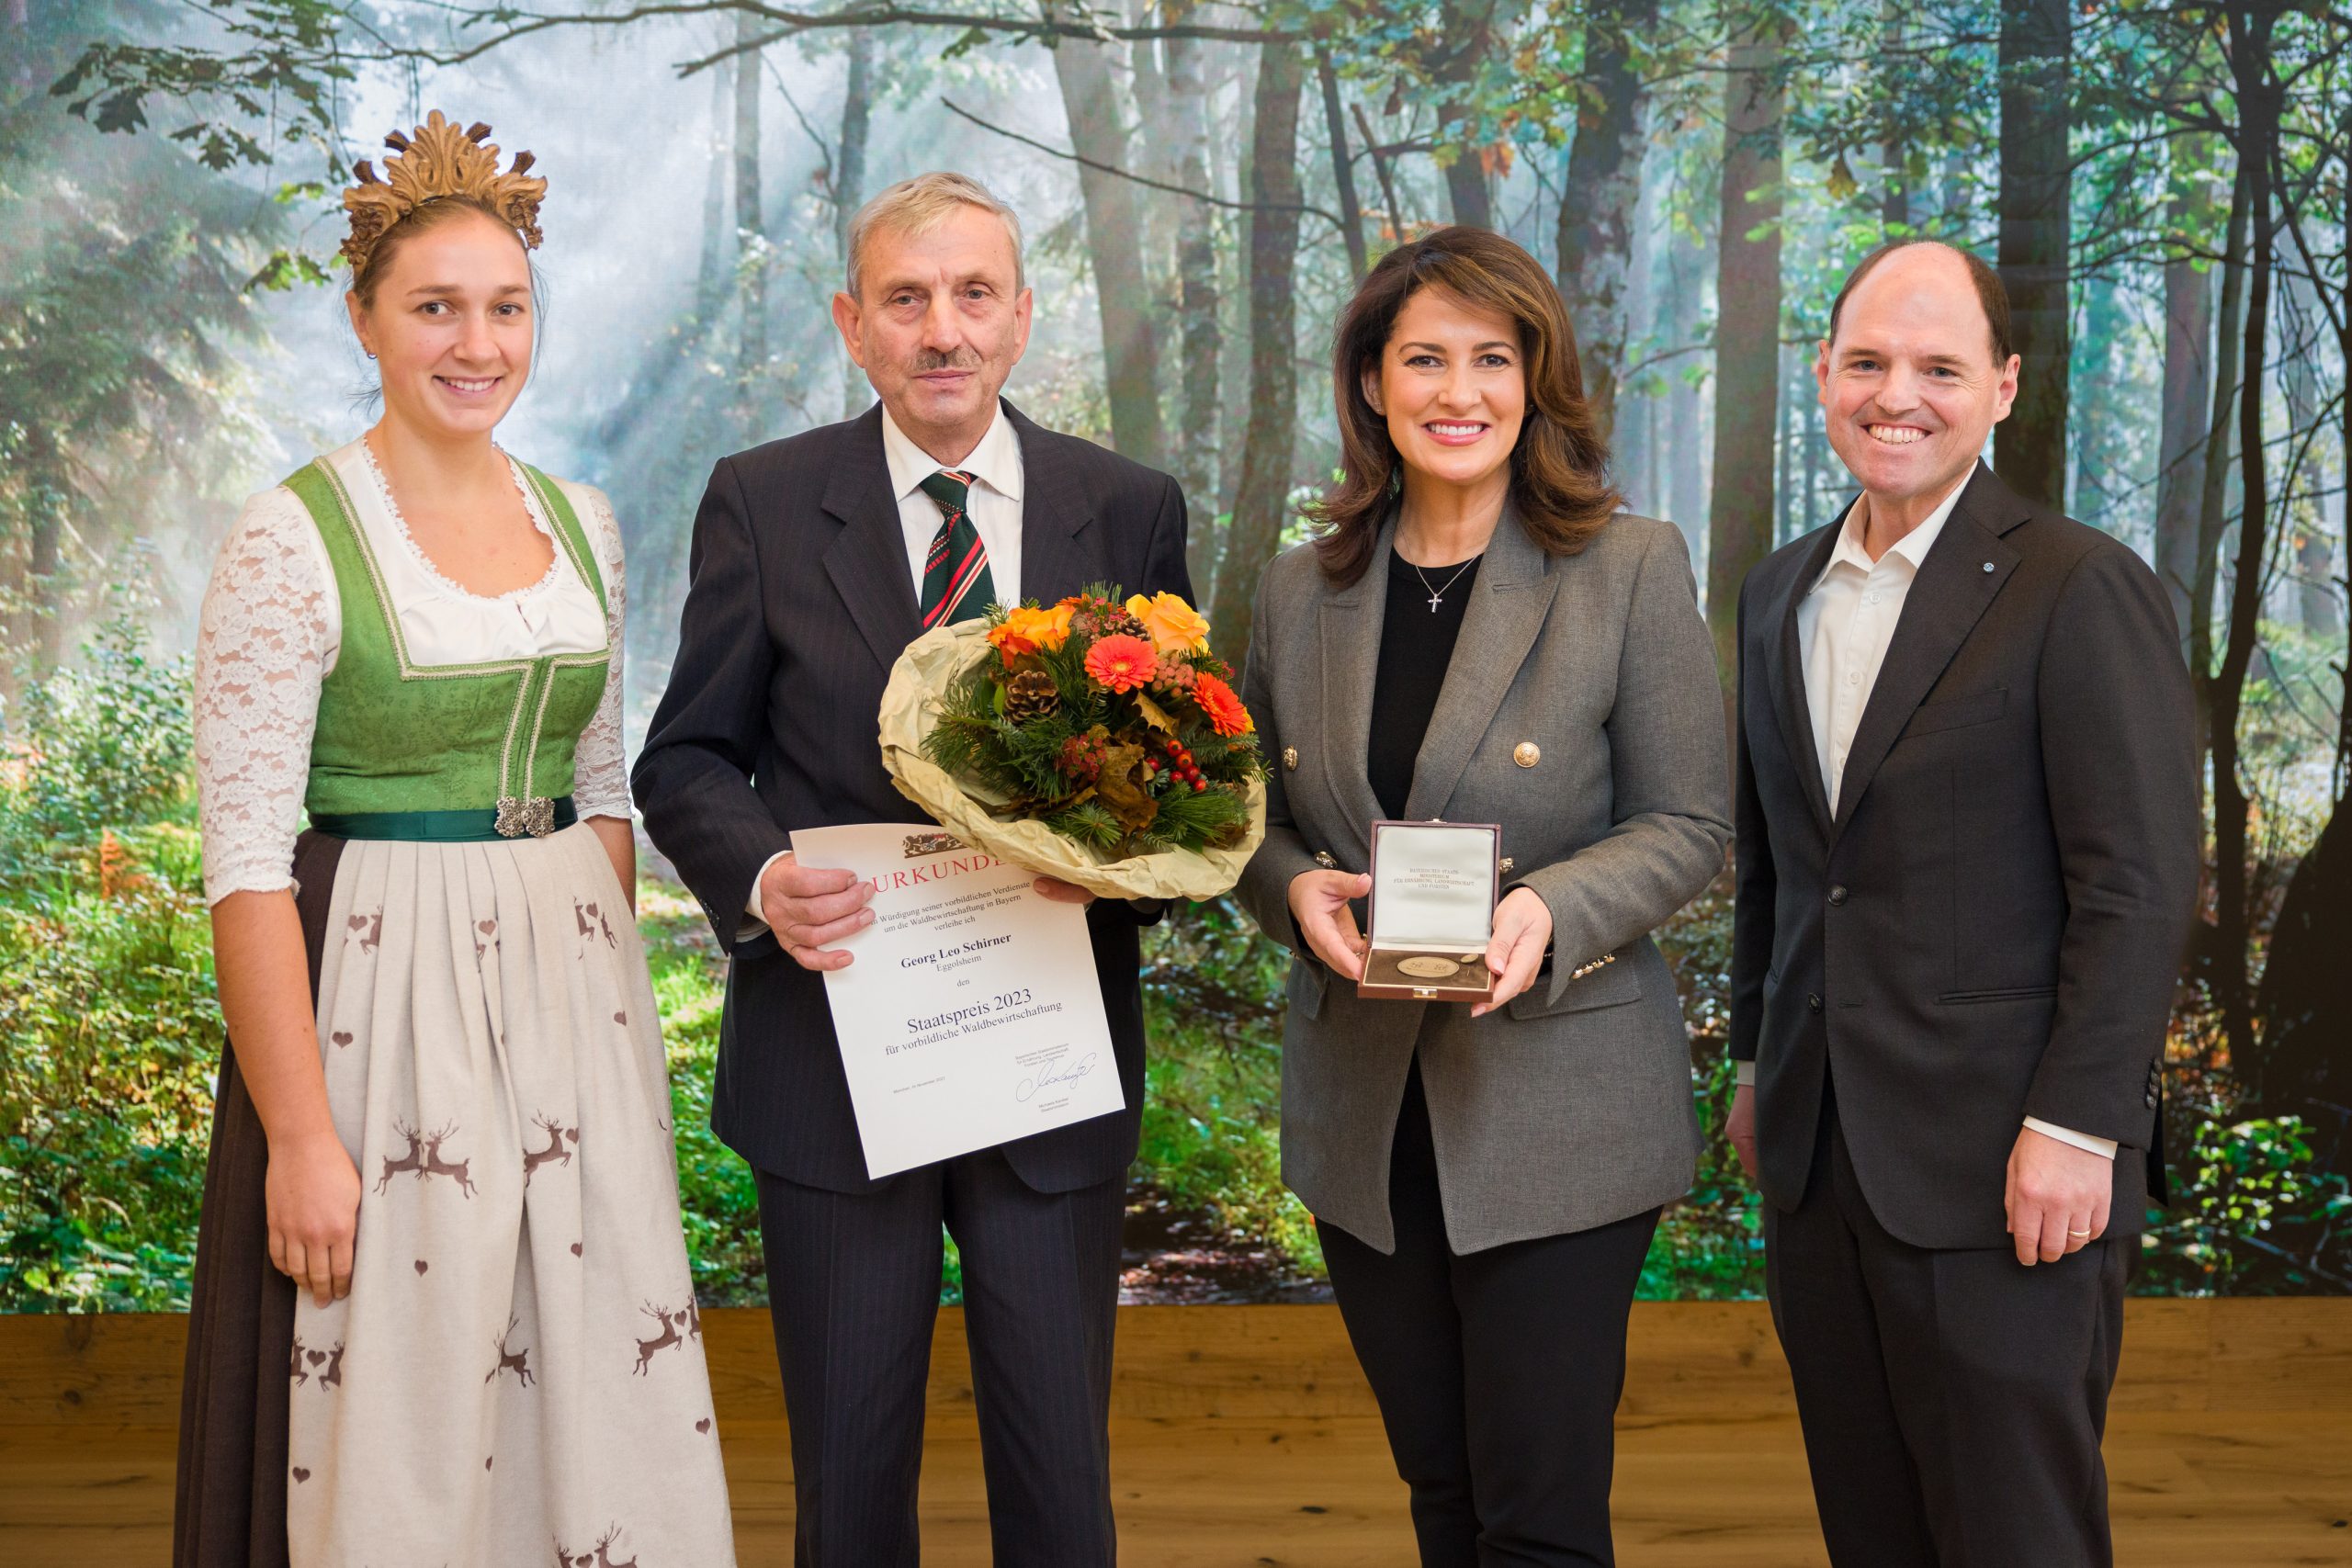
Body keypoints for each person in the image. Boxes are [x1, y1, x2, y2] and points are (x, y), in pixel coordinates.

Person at [176, 114, 734, 1567]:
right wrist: (301, 1137)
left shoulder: (584, 520)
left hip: (565, 997)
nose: (475, 344)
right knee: (408, 1374)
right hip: (380, 989)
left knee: (590, 1347)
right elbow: (243, 863)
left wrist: (603, 1029)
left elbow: (602, 791)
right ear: (365, 319)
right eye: (435, 308)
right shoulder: (289, 538)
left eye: (505, 308)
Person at [630, 171, 1190, 1567]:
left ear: (1019, 318)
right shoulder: (761, 503)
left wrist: (1123, 866)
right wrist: (761, 882)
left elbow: (1185, 773)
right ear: (854, 324)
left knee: (1064, 1491)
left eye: (972, 294)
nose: (942, 328)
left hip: (1047, 1059)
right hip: (834, 1065)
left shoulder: (1124, 508)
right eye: (906, 298)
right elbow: (685, 759)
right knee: (849, 1488)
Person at [1230, 225, 1731, 1567]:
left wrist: (1551, 911)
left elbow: (1691, 824)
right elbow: (1246, 827)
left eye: (1491, 358)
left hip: (1557, 1109)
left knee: (1540, 1521)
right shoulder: (1297, 589)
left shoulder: (1628, 568)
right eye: (1425, 358)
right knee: (1443, 1502)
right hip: (1366, 1113)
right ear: (1374, 385)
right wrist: (1294, 897)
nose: (1460, 390)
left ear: (1535, 378)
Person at [1724, 238, 2199, 1567]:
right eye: (1867, 362)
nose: (1898, 395)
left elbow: (2141, 884)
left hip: (2010, 1169)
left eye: (1939, 367)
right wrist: (1759, 1063)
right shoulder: (1779, 592)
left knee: (2015, 1538)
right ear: (1822, 374)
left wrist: (2079, 1124)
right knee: (1873, 1534)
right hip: (1821, 1161)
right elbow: (1781, 863)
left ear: (2001, 387)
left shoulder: (2075, 583)